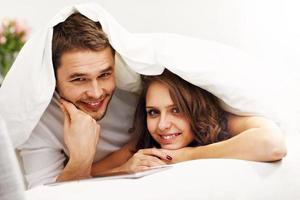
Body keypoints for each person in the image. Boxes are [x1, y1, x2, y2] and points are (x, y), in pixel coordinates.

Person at [17, 12, 149, 188]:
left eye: (104, 74)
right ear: (53, 78)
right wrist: (81, 159)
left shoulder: (135, 90)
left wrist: (121, 169)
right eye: (79, 79)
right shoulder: (36, 119)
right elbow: (44, 194)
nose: (96, 93)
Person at [91, 69, 287, 175]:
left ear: (196, 108)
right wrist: (123, 169)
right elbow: (87, 174)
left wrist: (188, 156)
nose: (162, 125)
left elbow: (272, 144)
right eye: (153, 112)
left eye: (176, 110)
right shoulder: (145, 145)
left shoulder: (222, 122)